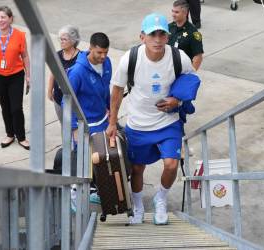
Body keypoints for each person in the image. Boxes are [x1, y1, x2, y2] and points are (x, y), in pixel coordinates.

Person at [106, 13, 195, 225]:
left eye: (162, 34)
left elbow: (191, 80)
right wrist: (112, 123)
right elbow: (117, 89)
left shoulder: (178, 57)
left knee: (172, 164)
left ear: (167, 36)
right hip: (139, 124)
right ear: (142, 37)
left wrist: (177, 101)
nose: (157, 39)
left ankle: (161, 198)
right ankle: (137, 205)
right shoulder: (131, 58)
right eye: (152, 34)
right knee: (137, 169)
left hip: (168, 122)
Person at [67, 32, 112, 205]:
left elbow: (106, 87)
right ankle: (73, 197)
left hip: (103, 120)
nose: (103, 56)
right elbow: (68, 101)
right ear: (90, 48)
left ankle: (97, 190)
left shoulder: (107, 62)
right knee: (83, 164)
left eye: (105, 52)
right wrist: (74, 127)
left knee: (102, 160)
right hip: (85, 125)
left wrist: (110, 109)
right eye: (99, 52)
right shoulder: (77, 72)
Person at [0, 6, 30, 150]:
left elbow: (25, 55)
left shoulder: (20, 35)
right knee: (5, 107)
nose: (0, 20)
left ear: (10, 19)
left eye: (3, 17)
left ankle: (21, 137)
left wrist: (28, 75)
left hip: (16, 75)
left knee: (16, 108)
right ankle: (10, 134)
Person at [47, 25, 80, 126]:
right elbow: (53, 73)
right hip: (59, 97)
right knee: (64, 125)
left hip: (76, 99)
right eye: (60, 39)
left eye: (64, 39)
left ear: (73, 41)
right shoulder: (57, 55)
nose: (61, 41)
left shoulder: (81, 57)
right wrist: (49, 90)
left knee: (76, 126)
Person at [168, 0, 204, 71]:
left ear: (185, 13)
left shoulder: (193, 32)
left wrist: (190, 75)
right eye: (173, 11)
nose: (173, 14)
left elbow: (198, 57)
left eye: (176, 12)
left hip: (182, 70)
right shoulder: (169, 27)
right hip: (168, 68)